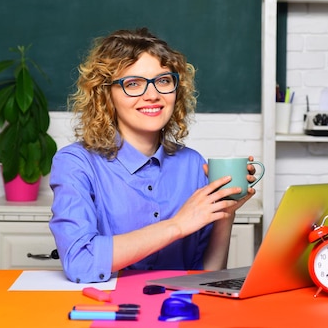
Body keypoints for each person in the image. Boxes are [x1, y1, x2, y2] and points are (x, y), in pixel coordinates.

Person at [49, 27, 257, 283]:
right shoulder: (75, 163)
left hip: (178, 311)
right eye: (133, 83)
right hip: (106, 310)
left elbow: (205, 275)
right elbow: (80, 263)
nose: (152, 95)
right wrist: (178, 225)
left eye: (163, 80)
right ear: (106, 95)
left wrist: (226, 214)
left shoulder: (193, 164)